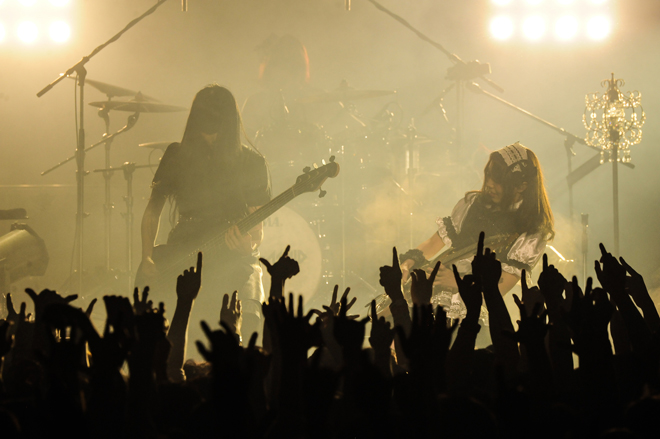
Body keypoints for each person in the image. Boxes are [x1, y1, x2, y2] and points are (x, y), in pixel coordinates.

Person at [139, 84, 271, 342]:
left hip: (229, 251)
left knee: (240, 321)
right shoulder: (176, 154)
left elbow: (258, 229)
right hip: (183, 247)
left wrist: (249, 245)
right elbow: (153, 209)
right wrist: (147, 255)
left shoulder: (252, 162)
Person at [399, 142, 554, 319]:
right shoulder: (472, 203)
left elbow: (498, 291)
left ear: (521, 186)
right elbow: (434, 242)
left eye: (498, 180)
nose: (489, 184)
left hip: (470, 313)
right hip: (430, 297)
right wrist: (409, 261)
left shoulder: (530, 231)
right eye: (489, 175)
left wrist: (457, 282)